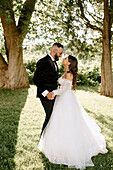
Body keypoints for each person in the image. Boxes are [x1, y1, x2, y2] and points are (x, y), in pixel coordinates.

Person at [38, 55, 108, 170]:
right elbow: (61, 87)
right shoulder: (66, 72)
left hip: (66, 100)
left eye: (65, 59)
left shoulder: (69, 74)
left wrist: (53, 93)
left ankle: (70, 146)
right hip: (61, 100)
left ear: (69, 63)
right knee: (58, 122)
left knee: (68, 122)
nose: (63, 59)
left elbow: (64, 90)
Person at [33, 43, 63, 135]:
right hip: (45, 94)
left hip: (53, 94)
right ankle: (43, 140)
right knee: (50, 116)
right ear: (55, 51)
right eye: (60, 53)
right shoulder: (43, 62)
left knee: (53, 116)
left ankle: (51, 139)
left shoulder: (54, 63)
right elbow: (36, 79)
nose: (61, 55)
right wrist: (46, 93)